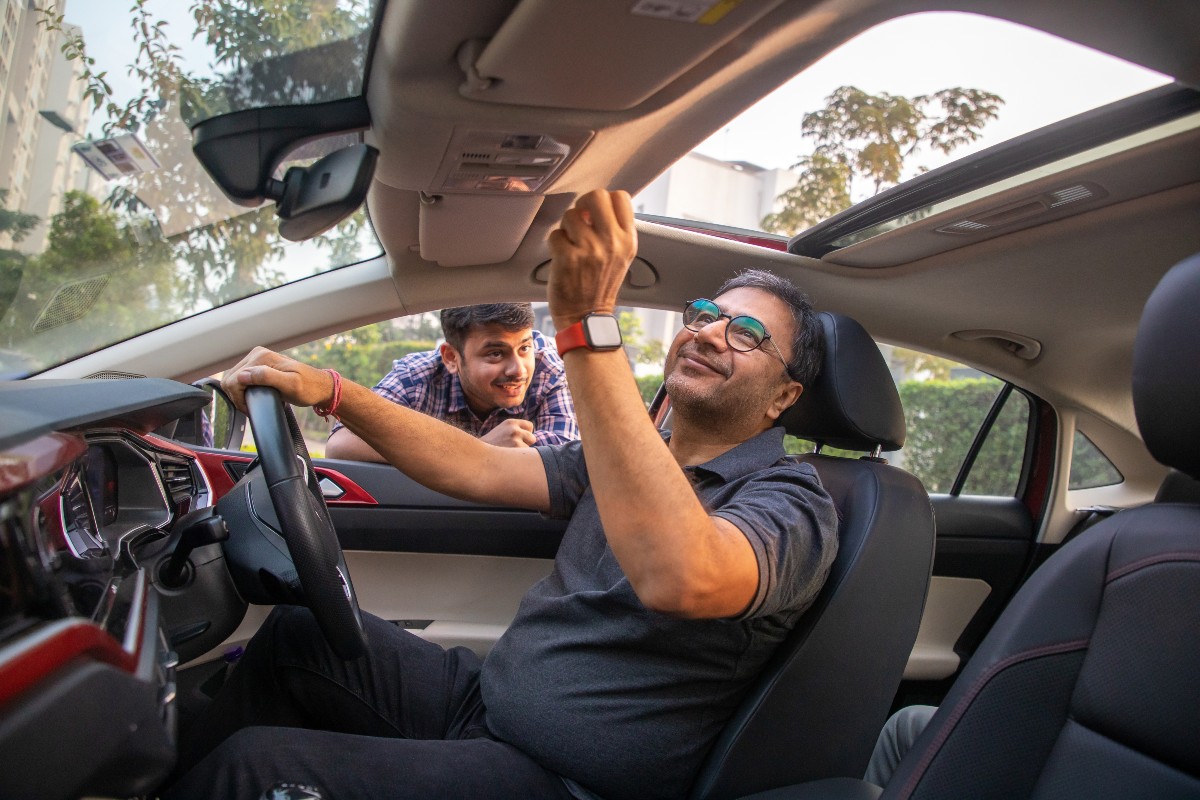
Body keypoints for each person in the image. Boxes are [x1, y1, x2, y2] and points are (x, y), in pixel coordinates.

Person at [167, 189, 837, 800]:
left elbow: (683, 576)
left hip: (564, 782)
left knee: (256, 770)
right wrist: (332, 391)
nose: (710, 331)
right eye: (706, 315)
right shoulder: (627, 457)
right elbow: (476, 466)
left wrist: (586, 326)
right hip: (486, 709)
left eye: (746, 334)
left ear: (783, 396)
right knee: (296, 634)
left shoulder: (794, 500)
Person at [325, 302, 577, 457]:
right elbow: (341, 444)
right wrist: (477, 448)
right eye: (496, 354)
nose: (518, 370)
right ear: (451, 357)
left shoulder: (549, 369)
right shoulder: (416, 377)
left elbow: (564, 457)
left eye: (524, 348)